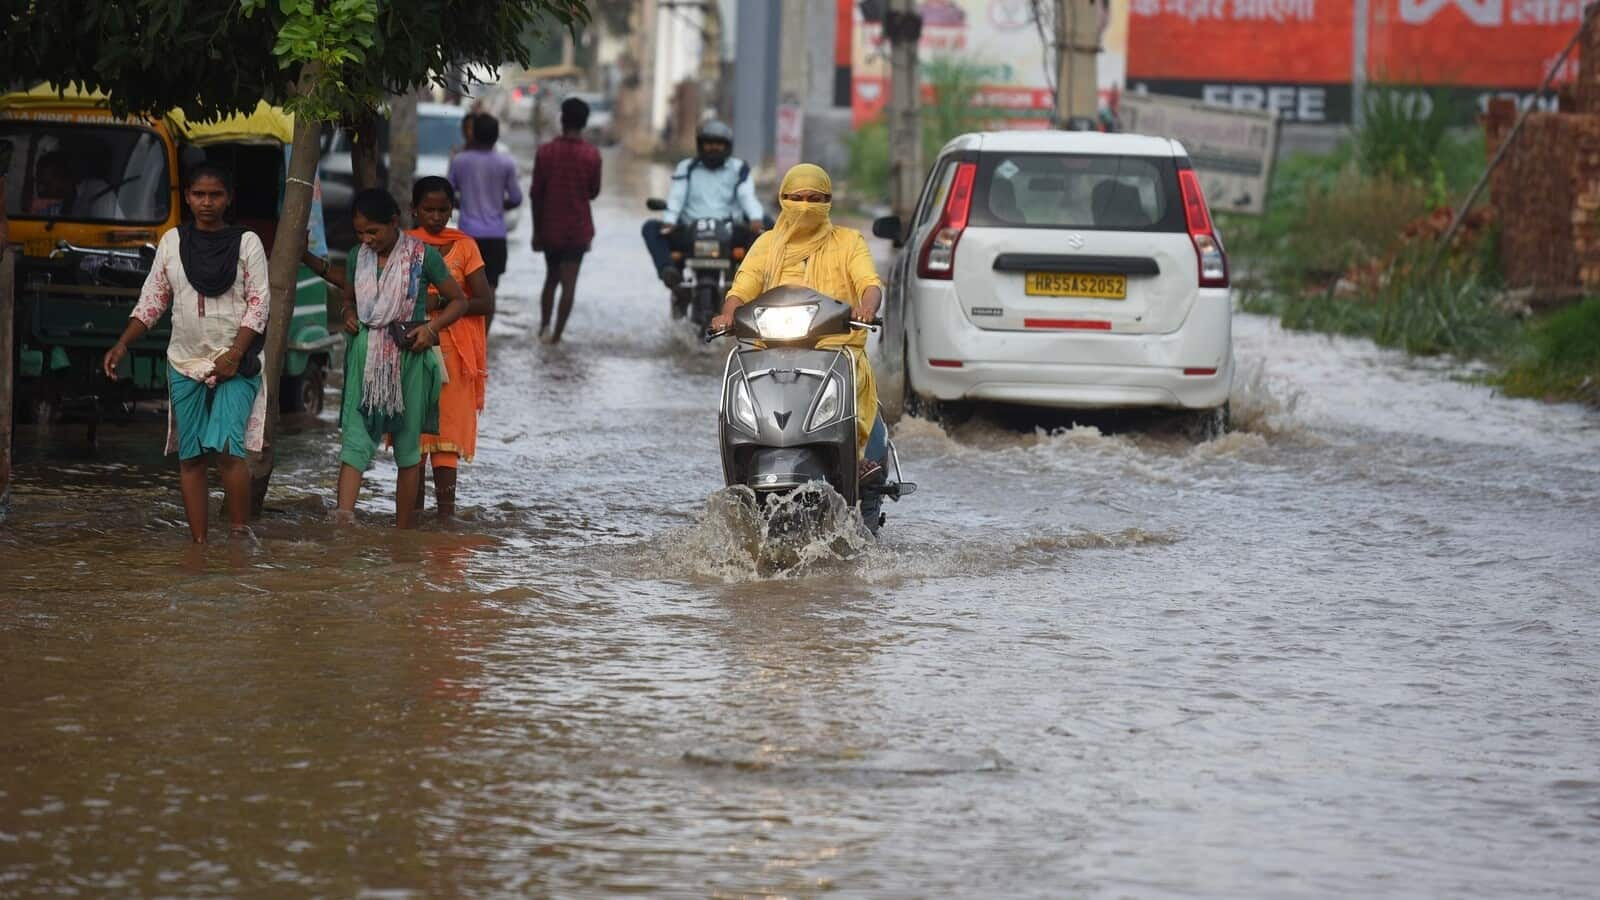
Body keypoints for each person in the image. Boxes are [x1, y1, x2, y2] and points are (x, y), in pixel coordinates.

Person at [102, 163, 269, 543]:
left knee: (228, 448)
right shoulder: (172, 242)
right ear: (187, 197)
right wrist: (122, 342)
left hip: (236, 362)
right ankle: (198, 547)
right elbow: (153, 300)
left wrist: (234, 355)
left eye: (215, 195)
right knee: (190, 456)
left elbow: (259, 305)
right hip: (184, 360)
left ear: (228, 199)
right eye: (199, 195)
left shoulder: (247, 243)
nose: (206, 203)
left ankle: (239, 539)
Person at [302, 189, 471, 529]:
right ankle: (344, 523)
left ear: (394, 223)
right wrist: (348, 311)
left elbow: (459, 301)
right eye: (361, 233)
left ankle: (403, 533)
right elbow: (349, 296)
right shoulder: (356, 256)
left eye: (373, 232)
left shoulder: (423, 257)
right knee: (354, 442)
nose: (367, 239)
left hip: (410, 360)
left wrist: (432, 329)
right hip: (363, 363)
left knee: (408, 450)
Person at [710, 163, 888, 483]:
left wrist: (866, 307)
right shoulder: (766, 245)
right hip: (771, 349)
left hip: (836, 349)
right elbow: (743, 286)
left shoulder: (849, 242)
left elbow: (869, 282)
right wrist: (728, 313)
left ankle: (857, 458)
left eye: (815, 198)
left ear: (829, 201)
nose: (805, 206)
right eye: (797, 197)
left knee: (860, 389)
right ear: (782, 199)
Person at [406, 176, 495, 519]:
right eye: (428, 209)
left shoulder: (466, 246)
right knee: (413, 435)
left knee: (447, 435)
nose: (436, 216)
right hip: (411, 349)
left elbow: (484, 301)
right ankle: (409, 517)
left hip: (456, 356)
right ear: (414, 209)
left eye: (443, 209)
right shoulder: (405, 245)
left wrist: (440, 302)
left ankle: (446, 518)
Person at [641, 120, 767, 301]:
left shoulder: (739, 168)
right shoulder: (686, 167)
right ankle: (669, 274)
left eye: (719, 144)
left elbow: (747, 195)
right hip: (689, 231)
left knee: (769, 227)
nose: (713, 148)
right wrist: (669, 220)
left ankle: (754, 281)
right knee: (651, 228)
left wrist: (756, 218)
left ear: (727, 146)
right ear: (701, 145)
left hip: (729, 233)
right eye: (709, 144)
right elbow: (676, 196)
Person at [529, 96, 601, 344]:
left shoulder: (545, 152)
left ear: (561, 119)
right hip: (578, 229)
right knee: (569, 283)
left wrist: (536, 231)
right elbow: (593, 192)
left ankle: (543, 328)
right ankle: (557, 337)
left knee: (551, 278)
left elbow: (535, 194)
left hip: (550, 228)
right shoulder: (592, 155)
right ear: (584, 123)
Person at [446, 113, 521, 300]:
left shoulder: (460, 161)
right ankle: (485, 330)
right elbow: (516, 198)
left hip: (468, 235)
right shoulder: (506, 162)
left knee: (466, 290)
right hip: (496, 235)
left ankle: (469, 330)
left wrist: (464, 203)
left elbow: (446, 194)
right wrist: (498, 204)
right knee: (490, 290)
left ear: (474, 135)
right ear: (496, 136)